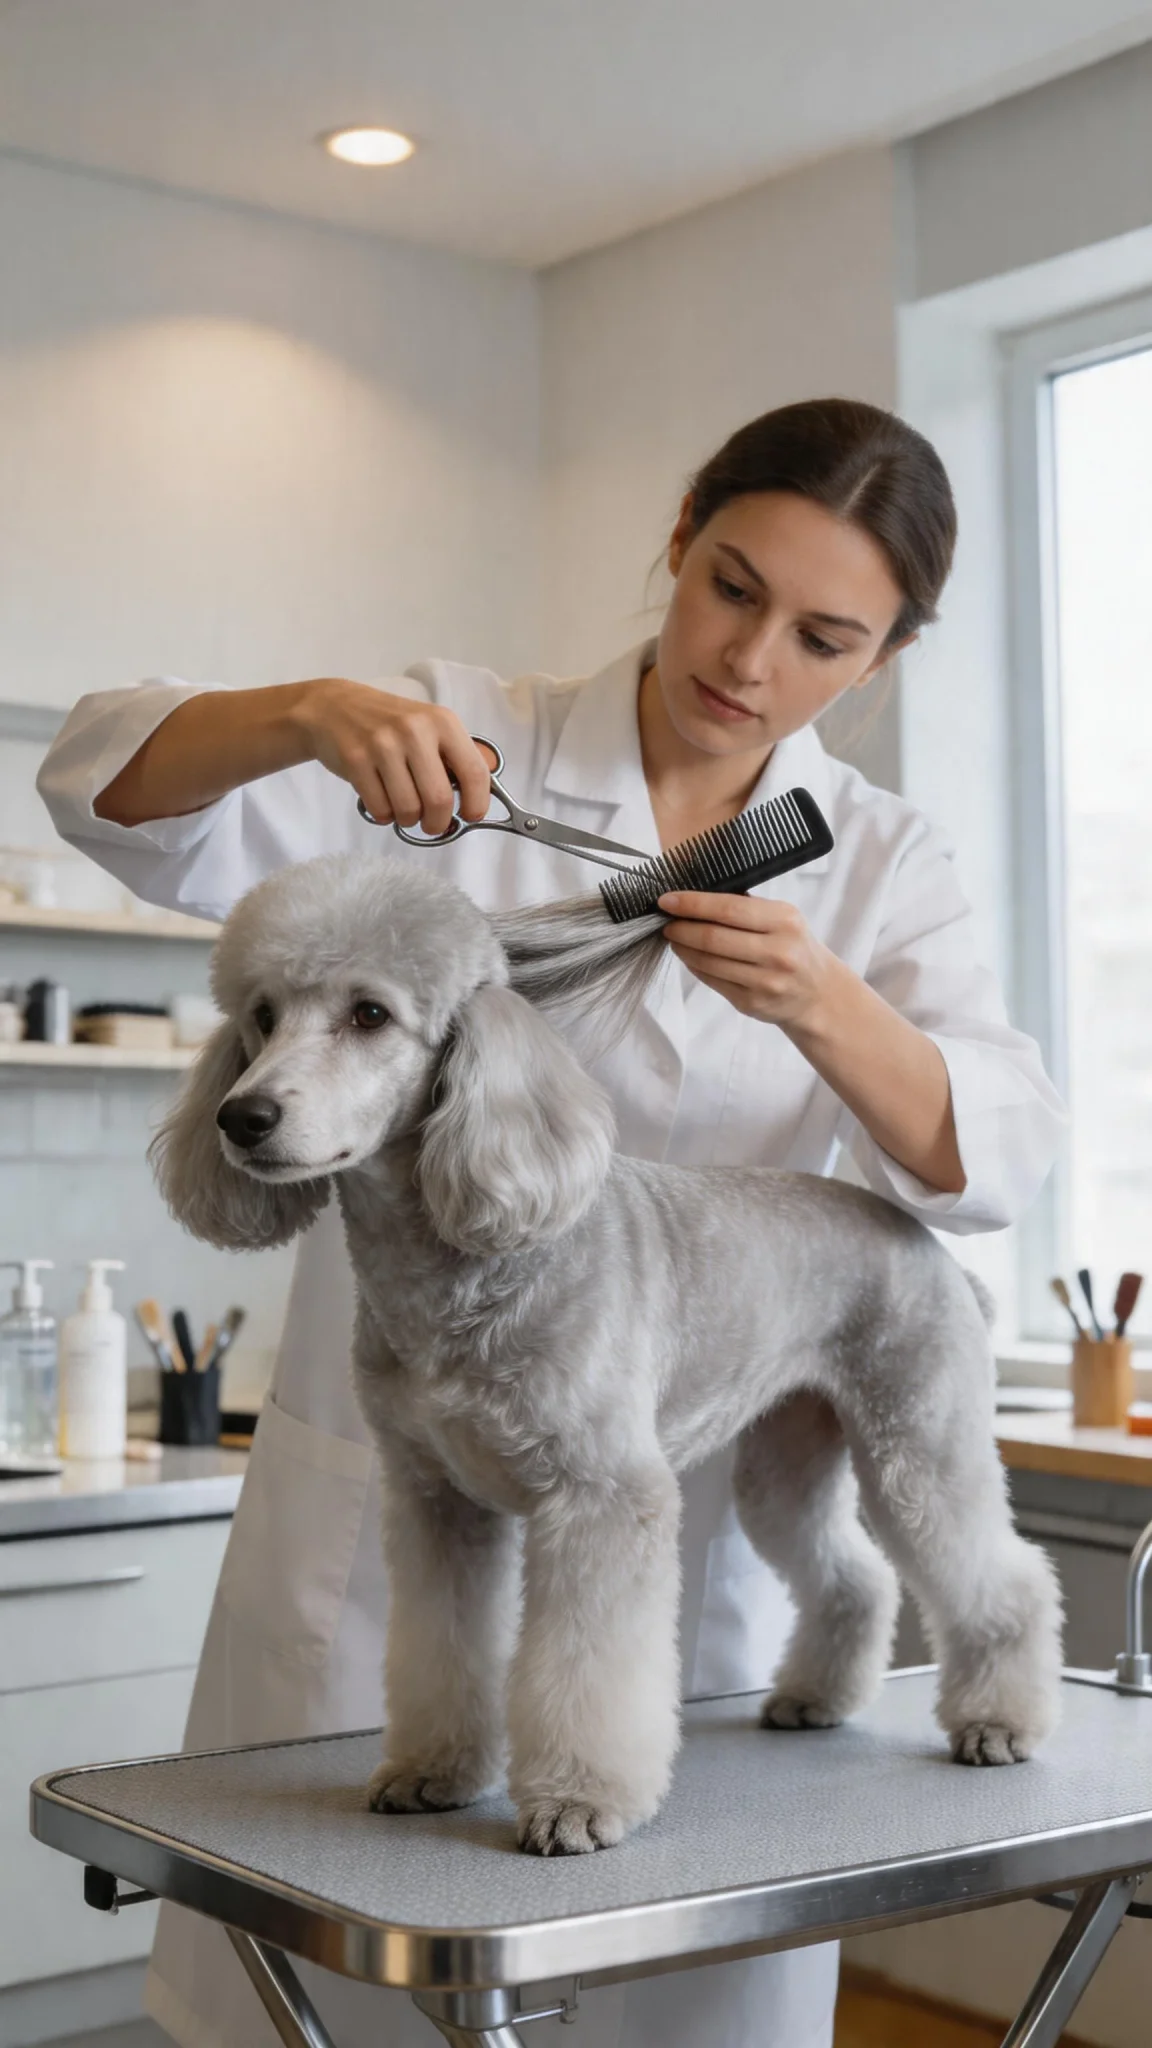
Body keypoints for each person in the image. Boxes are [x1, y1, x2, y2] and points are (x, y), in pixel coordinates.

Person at [38, 397, 1065, 2048]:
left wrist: (826, 1005)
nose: (751, 660)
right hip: (375, 1510)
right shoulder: (452, 740)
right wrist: (309, 717)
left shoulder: (880, 860)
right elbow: (104, 786)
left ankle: (853, 1643)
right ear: (677, 536)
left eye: (824, 638)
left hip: (695, 1559)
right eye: (731, 587)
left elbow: (996, 1152)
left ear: (885, 657)